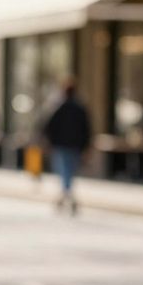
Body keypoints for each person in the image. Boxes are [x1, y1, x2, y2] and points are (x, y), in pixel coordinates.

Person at [43, 80, 91, 214]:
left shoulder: (59, 107)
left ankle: (66, 194)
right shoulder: (79, 108)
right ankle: (67, 194)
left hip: (62, 145)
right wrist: (85, 146)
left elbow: (48, 126)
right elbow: (87, 129)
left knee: (65, 170)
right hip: (74, 146)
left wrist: (51, 142)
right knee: (69, 171)